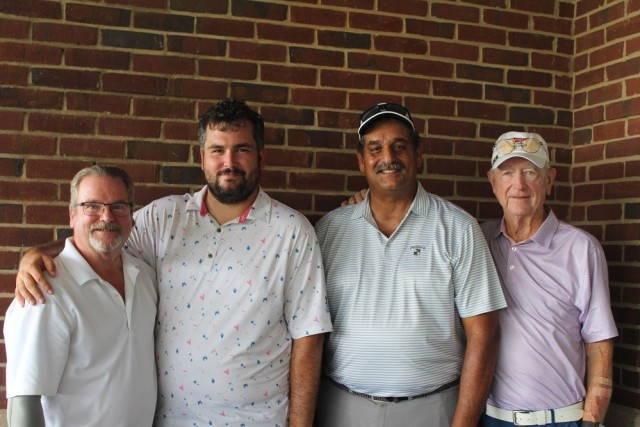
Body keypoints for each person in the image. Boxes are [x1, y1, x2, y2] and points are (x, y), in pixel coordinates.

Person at [14, 99, 333, 426]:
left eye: (242, 150)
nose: (229, 162)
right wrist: (37, 254)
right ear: (201, 158)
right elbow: (105, 237)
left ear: (261, 156)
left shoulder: (293, 232)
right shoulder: (163, 218)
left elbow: (309, 338)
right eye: (217, 150)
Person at [314, 102, 507, 427]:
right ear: (361, 161)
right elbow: (310, 331)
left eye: (399, 146)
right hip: (342, 409)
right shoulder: (330, 230)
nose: (388, 157)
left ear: (418, 154)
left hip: (434, 410)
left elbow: (484, 335)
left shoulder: (459, 229)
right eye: (375, 148)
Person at [479, 131, 618, 427]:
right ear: (493, 182)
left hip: (561, 420)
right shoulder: (479, 241)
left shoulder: (581, 249)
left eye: (530, 171)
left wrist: (593, 419)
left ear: (549, 179)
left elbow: (599, 342)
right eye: (507, 173)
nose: (519, 184)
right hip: (490, 418)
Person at [4, 165, 158, 427]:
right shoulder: (44, 292)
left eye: (118, 206)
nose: (106, 216)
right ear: (72, 215)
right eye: (92, 206)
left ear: (132, 216)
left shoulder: (144, 276)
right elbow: (24, 400)